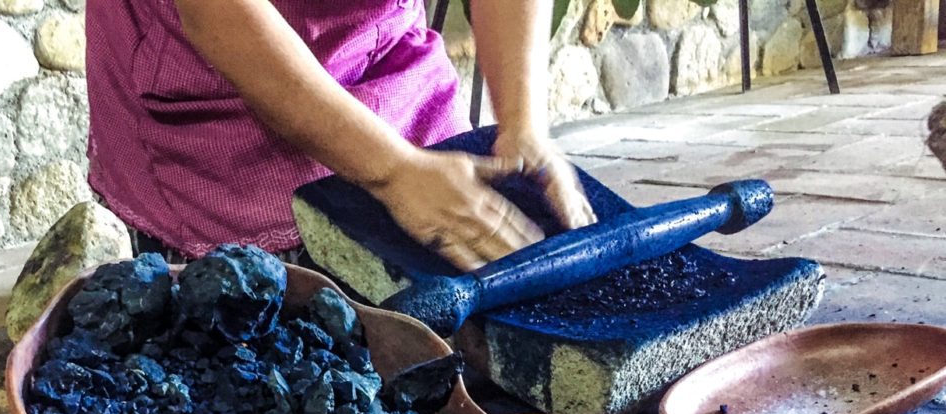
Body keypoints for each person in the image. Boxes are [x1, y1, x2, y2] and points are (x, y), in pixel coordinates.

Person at [85, 0, 596, 272]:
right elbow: (220, 15)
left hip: (382, 43)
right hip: (212, 77)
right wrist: (395, 171)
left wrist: (524, 122)